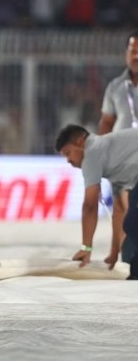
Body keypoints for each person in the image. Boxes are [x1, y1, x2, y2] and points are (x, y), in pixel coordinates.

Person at [55, 124, 138, 279]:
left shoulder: (92, 151)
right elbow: (119, 210)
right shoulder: (114, 161)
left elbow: (90, 206)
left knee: (133, 225)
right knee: (129, 245)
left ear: (80, 142)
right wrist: (114, 253)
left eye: (68, 153)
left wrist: (86, 248)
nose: (68, 161)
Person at [98, 31, 138, 267]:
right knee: (121, 207)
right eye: (132, 50)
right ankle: (121, 255)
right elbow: (106, 122)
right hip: (121, 157)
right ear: (125, 54)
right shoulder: (114, 87)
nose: (136, 55)